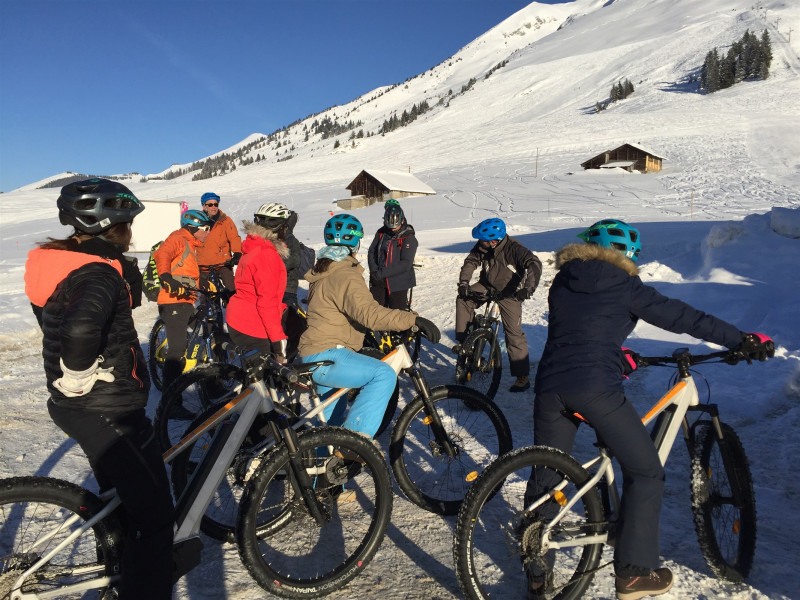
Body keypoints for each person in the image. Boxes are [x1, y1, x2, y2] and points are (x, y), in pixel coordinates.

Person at [525, 218, 774, 600]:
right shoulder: (625, 284)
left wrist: (616, 354)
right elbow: (683, 318)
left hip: (551, 386)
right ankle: (634, 573)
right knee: (645, 472)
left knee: (549, 468)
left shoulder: (564, 280)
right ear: (624, 254)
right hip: (595, 389)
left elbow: (581, 329)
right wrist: (740, 339)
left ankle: (535, 559)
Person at [23, 178, 174, 599]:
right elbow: (80, 328)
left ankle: (119, 569)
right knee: (157, 520)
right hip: (106, 407)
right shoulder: (98, 272)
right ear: (115, 226)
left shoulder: (61, 261)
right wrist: (79, 373)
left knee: (121, 502)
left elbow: (56, 322)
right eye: (129, 225)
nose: (132, 234)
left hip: (80, 406)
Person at [297, 213, 440, 439]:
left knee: (328, 431)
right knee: (382, 375)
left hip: (317, 354)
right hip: (328, 354)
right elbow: (369, 314)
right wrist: (411, 320)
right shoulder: (344, 273)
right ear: (355, 243)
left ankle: (322, 468)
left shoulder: (325, 270)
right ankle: (355, 442)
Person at [455, 217, 542, 392]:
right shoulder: (483, 245)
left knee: (513, 334)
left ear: (494, 241)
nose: (480, 243)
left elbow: (534, 263)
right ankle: (466, 344)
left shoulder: (514, 249)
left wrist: (528, 288)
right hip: (487, 285)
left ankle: (522, 376)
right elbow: (471, 261)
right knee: (463, 300)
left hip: (510, 293)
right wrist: (464, 282)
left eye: (484, 240)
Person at [153, 209, 213, 391]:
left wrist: (206, 285)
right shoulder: (178, 239)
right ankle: (171, 401)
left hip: (185, 300)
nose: (208, 233)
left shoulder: (192, 246)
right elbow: (161, 255)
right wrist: (166, 277)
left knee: (204, 329)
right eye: (206, 228)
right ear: (193, 228)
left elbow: (188, 274)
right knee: (177, 350)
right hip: (173, 301)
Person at [225, 203, 290, 361]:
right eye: (285, 226)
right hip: (252, 325)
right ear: (280, 228)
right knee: (262, 380)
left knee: (251, 373)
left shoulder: (253, 246)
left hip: (238, 318)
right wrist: (277, 340)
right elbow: (266, 301)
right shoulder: (266, 255)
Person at [367, 199, 418, 310]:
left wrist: (381, 273)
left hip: (398, 283)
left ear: (402, 221)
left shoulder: (409, 238)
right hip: (379, 281)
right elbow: (371, 251)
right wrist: (374, 271)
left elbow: (405, 264)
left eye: (396, 226)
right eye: (390, 226)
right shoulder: (381, 232)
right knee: (376, 311)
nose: (393, 229)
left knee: (397, 316)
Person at [196, 191, 242, 292]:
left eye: (216, 204)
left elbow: (234, 237)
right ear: (204, 206)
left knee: (232, 290)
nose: (214, 207)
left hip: (222, 263)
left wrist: (237, 252)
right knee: (204, 296)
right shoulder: (198, 221)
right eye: (210, 204)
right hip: (203, 264)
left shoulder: (225, 220)